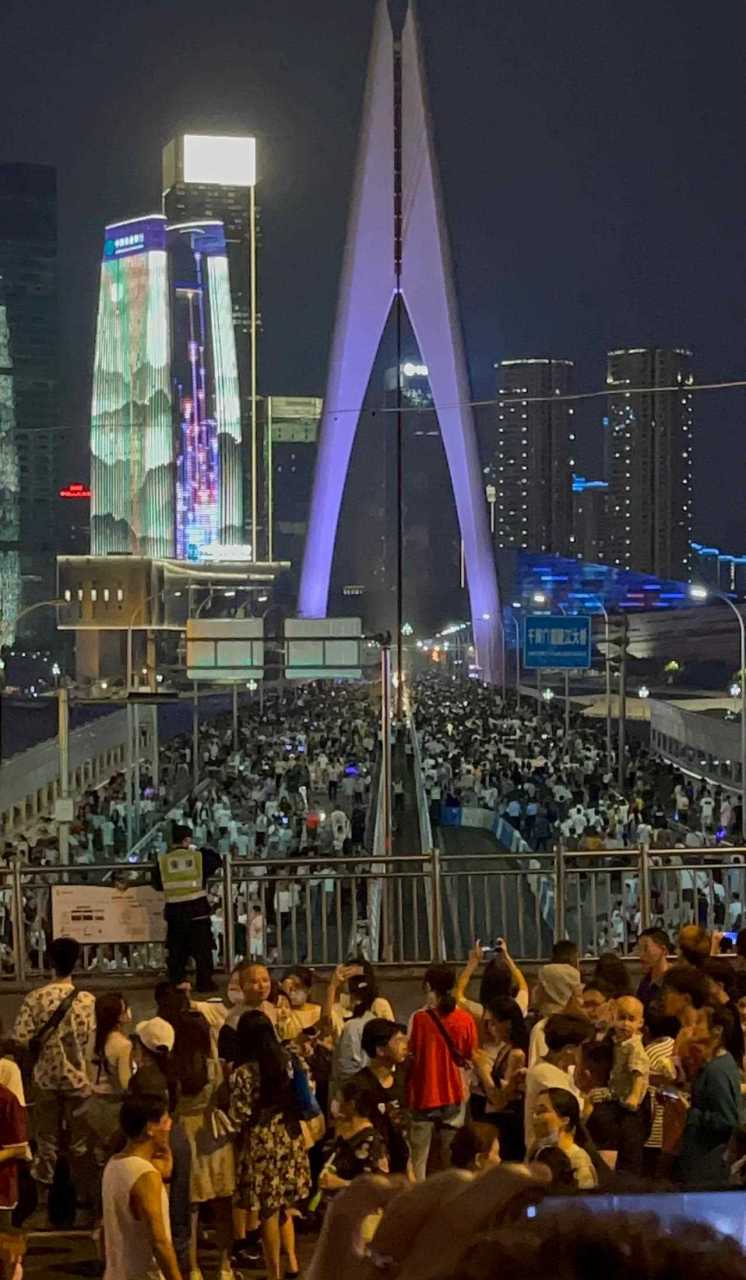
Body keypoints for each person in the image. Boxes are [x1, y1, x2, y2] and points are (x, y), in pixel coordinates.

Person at [12, 936, 96, 1224]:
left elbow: (21, 1039)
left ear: (49, 961)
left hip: (45, 1078)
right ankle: (85, 1205)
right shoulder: (87, 1000)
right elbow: (91, 1040)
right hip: (79, 1078)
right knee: (81, 1145)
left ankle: (43, 1205)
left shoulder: (35, 998)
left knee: (45, 1142)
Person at [228, 1011, 310, 1280]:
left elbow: (239, 1115)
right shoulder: (290, 1061)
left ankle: (273, 1271)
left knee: (267, 1211)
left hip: (261, 1143)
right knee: (283, 1206)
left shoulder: (244, 1073)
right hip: (290, 1136)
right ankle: (294, 1264)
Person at [172, 1010, 236, 1280]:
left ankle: (194, 1267)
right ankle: (224, 1265)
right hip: (213, 1134)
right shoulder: (214, 1067)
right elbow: (223, 1099)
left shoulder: (174, 1067)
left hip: (184, 1134)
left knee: (192, 1209)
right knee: (223, 1206)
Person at [406, 965, 477, 1181]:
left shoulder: (419, 1019)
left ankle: (419, 1203)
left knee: (419, 1161)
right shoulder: (465, 1019)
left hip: (423, 1095)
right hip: (454, 1095)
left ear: (428, 986)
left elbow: (411, 1054)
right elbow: (469, 1055)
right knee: (451, 1158)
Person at [101, 1093, 182, 1280]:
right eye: (165, 1120)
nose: (170, 1125)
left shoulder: (114, 1165)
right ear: (150, 1128)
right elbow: (160, 1241)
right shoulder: (145, 1176)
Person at [677, 1003, 744, 1185]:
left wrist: (690, 1113)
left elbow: (727, 1119)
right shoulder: (716, 1063)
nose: (693, 1027)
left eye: (699, 1022)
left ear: (717, 1031)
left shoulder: (717, 1070)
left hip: (708, 1163)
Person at [153, 824, 221, 994]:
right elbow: (216, 859)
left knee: (177, 952)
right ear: (187, 840)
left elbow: (156, 884)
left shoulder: (163, 861)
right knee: (202, 951)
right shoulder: (198, 858)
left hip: (175, 915)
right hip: (198, 913)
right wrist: (198, 848)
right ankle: (204, 983)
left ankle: (177, 983)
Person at [523, 1013, 591, 1151]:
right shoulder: (543, 1073)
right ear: (569, 1049)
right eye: (583, 1046)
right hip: (550, 1152)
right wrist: (589, 1098)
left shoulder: (566, 1072)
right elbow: (574, 1114)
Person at [354, 1019, 410, 1174]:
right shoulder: (359, 1086)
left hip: (400, 1165)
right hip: (370, 1169)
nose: (405, 1044)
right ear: (380, 1050)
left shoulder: (402, 1077)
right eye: (398, 1040)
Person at [317, 1080, 389, 1194]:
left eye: (339, 1100)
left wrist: (342, 1183)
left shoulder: (372, 1141)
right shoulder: (337, 1134)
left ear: (351, 1105)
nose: (335, 1103)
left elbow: (379, 1186)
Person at [607, 995, 650, 1175]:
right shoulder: (617, 1042)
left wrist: (634, 1095)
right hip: (619, 1098)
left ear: (640, 1022)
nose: (625, 1024)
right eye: (621, 1018)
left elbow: (638, 1073)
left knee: (630, 1145)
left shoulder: (634, 1046)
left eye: (631, 1019)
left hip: (632, 1105)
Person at [529, 1088, 598, 1190]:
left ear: (565, 1120)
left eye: (542, 1111)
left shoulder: (578, 1159)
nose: (535, 1117)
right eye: (535, 1112)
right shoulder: (538, 1155)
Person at [527, 963, 583, 1066]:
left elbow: (540, 1071)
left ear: (549, 990)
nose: (535, 990)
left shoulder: (543, 1029)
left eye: (540, 984)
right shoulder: (580, 1024)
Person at [636, 927, 670, 1008]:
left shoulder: (672, 983)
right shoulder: (644, 982)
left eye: (646, 949)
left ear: (663, 949)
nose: (641, 955)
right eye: (639, 949)